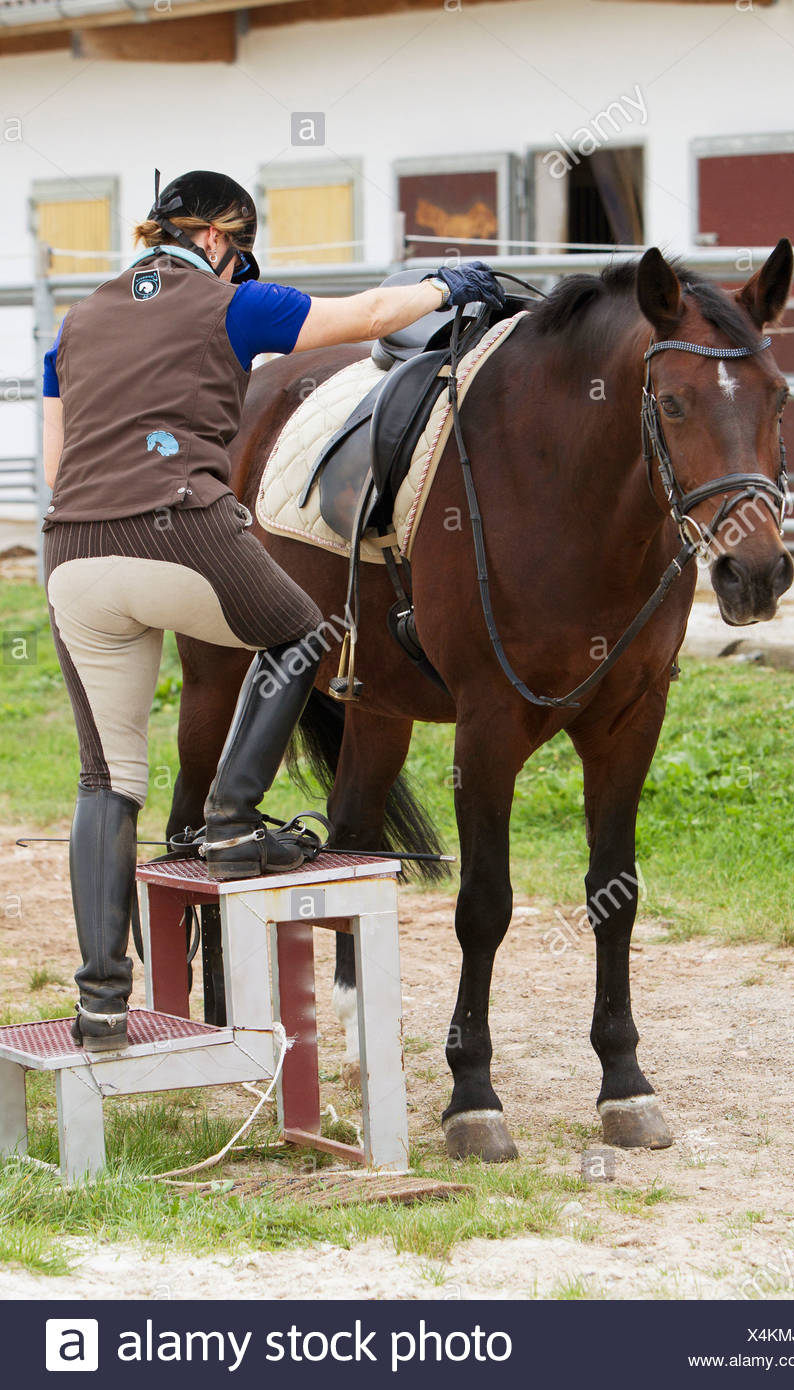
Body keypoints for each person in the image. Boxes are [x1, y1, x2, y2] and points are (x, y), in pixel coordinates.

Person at [41, 168, 505, 1052]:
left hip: (73, 558)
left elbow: (60, 464)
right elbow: (366, 316)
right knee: (306, 632)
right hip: (179, 530)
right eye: (240, 254)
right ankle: (230, 823)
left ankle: (101, 1002)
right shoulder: (233, 304)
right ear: (216, 237)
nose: (242, 270)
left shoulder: (78, 319)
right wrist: (450, 284)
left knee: (107, 782)